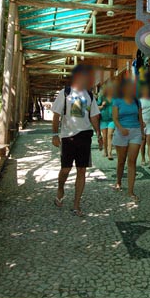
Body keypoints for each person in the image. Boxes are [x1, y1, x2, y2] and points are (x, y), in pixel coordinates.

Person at [52, 64, 103, 216]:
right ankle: (61, 188)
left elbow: (94, 116)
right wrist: (55, 134)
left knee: (81, 170)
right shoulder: (65, 93)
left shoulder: (89, 94)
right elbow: (56, 114)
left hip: (85, 136)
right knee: (66, 169)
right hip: (68, 137)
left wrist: (99, 135)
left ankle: (76, 205)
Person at [112, 79, 145, 201]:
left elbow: (140, 118)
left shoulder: (137, 101)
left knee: (132, 161)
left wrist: (142, 133)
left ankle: (131, 191)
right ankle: (118, 181)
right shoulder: (117, 101)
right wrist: (120, 128)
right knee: (121, 160)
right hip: (121, 132)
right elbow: (114, 118)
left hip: (135, 131)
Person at [97, 80, 118, 160]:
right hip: (103, 119)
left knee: (110, 135)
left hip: (112, 119)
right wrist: (102, 106)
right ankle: (105, 150)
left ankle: (109, 153)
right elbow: (96, 107)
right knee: (104, 136)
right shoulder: (101, 97)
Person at [140, 85, 150, 167]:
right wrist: (141, 122)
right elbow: (138, 113)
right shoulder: (140, 101)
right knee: (142, 143)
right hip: (142, 124)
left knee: (149, 141)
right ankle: (143, 159)